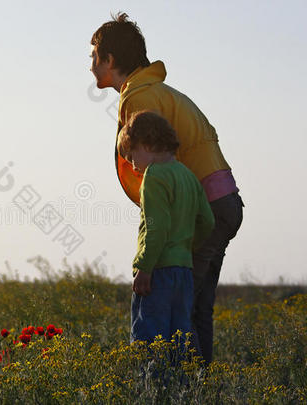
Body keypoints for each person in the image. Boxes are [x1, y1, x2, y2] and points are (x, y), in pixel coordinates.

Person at [90, 12, 244, 364]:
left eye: (94, 57)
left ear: (110, 60)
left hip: (207, 205)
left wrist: (149, 259)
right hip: (224, 202)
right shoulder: (158, 92)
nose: (90, 67)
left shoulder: (140, 99)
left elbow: (156, 171)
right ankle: (197, 386)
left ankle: (182, 387)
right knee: (196, 308)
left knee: (180, 311)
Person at [117, 110, 214, 345]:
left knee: (150, 342)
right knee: (178, 340)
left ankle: (153, 383)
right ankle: (178, 383)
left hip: (157, 271)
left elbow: (155, 226)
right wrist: (184, 247)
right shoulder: (188, 175)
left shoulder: (154, 175)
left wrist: (145, 267)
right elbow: (208, 221)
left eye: (131, 157)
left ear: (146, 144)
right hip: (183, 271)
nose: (133, 166)